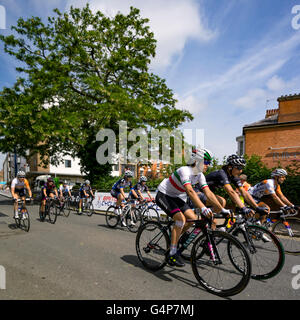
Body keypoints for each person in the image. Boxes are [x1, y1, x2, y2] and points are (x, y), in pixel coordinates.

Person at [155, 148, 215, 268]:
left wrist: (222, 208)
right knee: (180, 219)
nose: (208, 165)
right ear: (197, 161)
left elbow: (208, 193)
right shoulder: (184, 171)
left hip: (176, 196)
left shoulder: (200, 175)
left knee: (192, 219)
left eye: (209, 163)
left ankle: (174, 240)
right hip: (164, 194)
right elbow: (190, 191)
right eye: (206, 162)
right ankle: (172, 253)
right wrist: (203, 208)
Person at [203, 154, 268, 219]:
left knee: (218, 213)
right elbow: (231, 192)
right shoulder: (221, 174)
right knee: (221, 201)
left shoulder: (233, 176)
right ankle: (205, 218)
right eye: (239, 168)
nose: (241, 171)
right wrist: (243, 208)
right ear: (230, 167)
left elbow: (244, 193)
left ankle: (207, 222)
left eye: (242, 168)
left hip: (207, 195)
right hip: (198, 192)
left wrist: (256, 207)